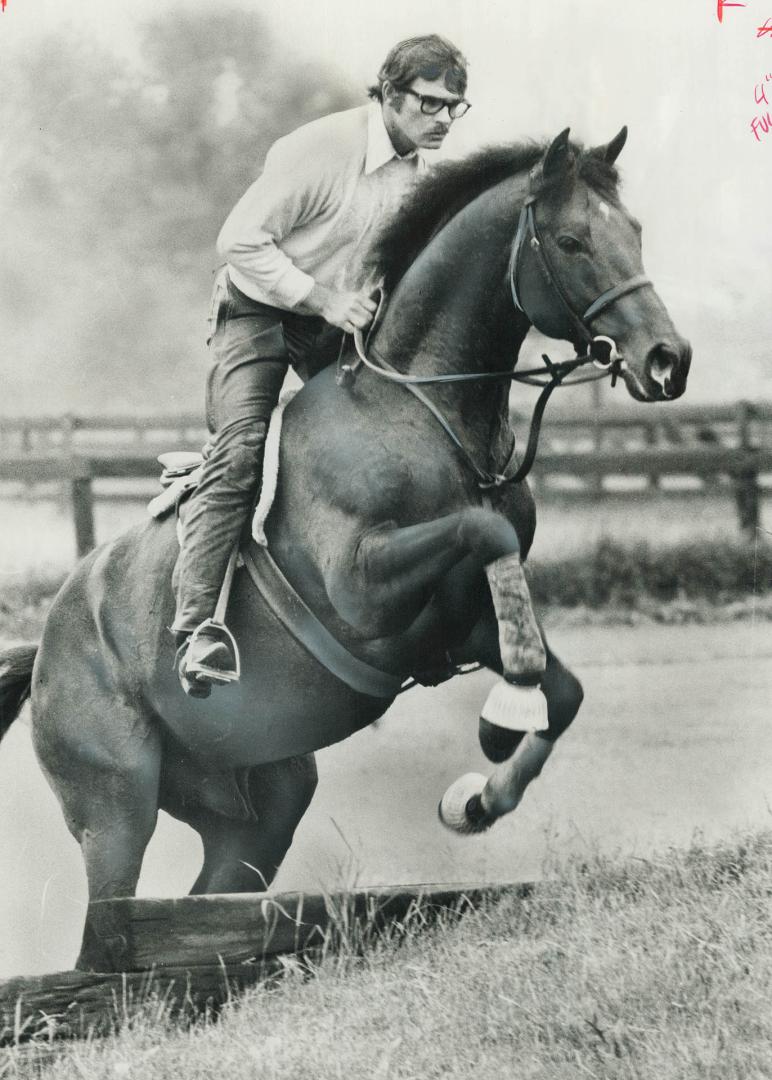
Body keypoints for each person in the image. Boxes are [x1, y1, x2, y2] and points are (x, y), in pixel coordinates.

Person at [172, 34, 471, 697]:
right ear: (391, 93)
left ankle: (420, 624)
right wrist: (322, 299)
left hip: (330, 322)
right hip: (255, 314)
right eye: (431, 103)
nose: (444, 119)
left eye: (457, 107)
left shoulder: (419, 173)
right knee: (242, 449)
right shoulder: (323, 149)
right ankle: (199, 629)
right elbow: (238, 241)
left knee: (398, 445)